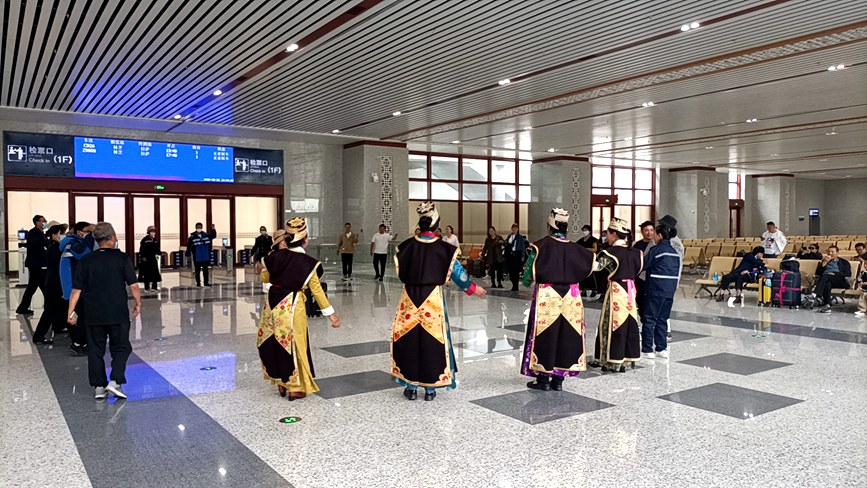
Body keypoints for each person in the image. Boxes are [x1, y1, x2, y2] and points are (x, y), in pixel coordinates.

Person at [390, 202, 486, 401]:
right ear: (436, 225)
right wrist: (472, 288)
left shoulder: (406, 246)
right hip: (432, 299)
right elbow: (458, 273)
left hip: (409, 299)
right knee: (432, 340)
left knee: (409, 339)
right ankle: (430, 388)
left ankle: (411, 386)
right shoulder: (444, 249)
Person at [258, 220, 341, 400]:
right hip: (293, 304)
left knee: (275, 341)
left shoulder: (275, 256)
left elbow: (265, 277)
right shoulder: (307, 263)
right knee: (296, 343)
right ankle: (295, 386)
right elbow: (316, 290)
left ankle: (281, 382)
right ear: (305, 240)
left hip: (272, 304)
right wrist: (331, 314)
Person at [521, 208, 594, 391]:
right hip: (572, 295)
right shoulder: (578, 249)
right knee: (567, 333)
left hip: (548, 294)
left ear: (549, 226)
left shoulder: (539, 246)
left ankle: (543, 378)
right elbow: (591, 267)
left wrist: (527, 281)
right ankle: (559, 379)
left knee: (546, 333)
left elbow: (528, 275)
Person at [67, 222, 141, 400]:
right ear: (112, 238)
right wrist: (138, 303)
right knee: (122, 347)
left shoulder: (86, 260)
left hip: (93, 313)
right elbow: (133, 285)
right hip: (117, 312)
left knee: (95, 349)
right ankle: (115, 381)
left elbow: (76, 290)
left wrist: (70, 312)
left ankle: (99, 387)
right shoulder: (122, 258)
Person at [589, 217, 642, 373]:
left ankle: (610, 360)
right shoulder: (637, 253)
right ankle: (626, 360)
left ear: (614, 234)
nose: (606, 236)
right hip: (630, 291)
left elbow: (596, 267)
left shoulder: (610, 252)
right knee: (629, 323)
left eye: (608, 233)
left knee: (611, 324)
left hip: (616, 291)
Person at [640, 224, 681, 359]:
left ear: (660, 235)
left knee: (649, 319)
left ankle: (647, 349)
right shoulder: (674, 252)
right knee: (662, 319)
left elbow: (644, 264)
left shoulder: (656, 250)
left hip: (655, 289)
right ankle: (661, 348)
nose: (653, 237)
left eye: (655, 234)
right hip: (669, 291)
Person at [60, 221, 94, 356]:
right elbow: (84, 254)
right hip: (73, 287)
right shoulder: (73, 244)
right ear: (80, 232)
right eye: (88, 231)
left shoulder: (71, 242)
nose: (89, 234)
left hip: (73, 286)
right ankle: (77, 344)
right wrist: (90, 238)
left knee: (79, 314)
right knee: (78, 316)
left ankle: (81, 342)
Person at [32, 224, 67, 344]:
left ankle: (58, 326)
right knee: (49, 310)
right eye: (60, 233)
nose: (62, 236)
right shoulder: (54, 248)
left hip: (54, 282)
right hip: (54, 283)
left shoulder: (54, 246)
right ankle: (38, 336)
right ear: (54, 235)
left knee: (58, 307)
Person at [16, 214, 49, 315]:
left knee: (34, 286)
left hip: (38, 264)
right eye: (43, 221)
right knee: (38, 286)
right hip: (35, 264)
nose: (44, 223)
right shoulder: (33, 232)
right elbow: (38, 245)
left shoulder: (41, 233)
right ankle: (49, 306)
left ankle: (23, 307)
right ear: (37, 222)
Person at [658, 214, 684, 340]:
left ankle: (666, 330)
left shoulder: (672, 243)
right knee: (664, 304)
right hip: (672, 279)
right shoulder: (676, 242)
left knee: (663, 305)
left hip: (667, 278)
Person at [810, 245, 852, 314]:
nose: (830, 253)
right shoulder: (824, 261)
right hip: (826, 280)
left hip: (840, 281)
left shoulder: (844, 262)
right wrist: (824, 263)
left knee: (826, 276)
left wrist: (835, 273)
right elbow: (818, 274)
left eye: (832, 252)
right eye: (829, 252)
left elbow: (848, 274)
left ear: (837, 253)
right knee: (827, 284)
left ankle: (814, 294)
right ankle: (827, 306)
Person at [633, 220, 656, 325]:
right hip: (640, 278)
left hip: (652, 278)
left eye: (651, 230)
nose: (649, 232)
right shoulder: (637, 245)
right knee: (641, 300)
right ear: (642, 231)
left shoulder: (656, 245)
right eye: (646, 230)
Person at [186, 222, 213, 287]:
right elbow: (189, 246)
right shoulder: (192, 237)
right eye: (198, 227)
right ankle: (198, 283)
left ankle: (206, 282)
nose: (199, 228)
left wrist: (213, 229)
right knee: (197, 271)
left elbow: (213, 236)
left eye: (200, 227)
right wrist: (188, 253)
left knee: (206, 271)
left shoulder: (206, 235)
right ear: (196, 228)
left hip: (205, 256)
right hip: (197, 257)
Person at [138, 226, 162, 293]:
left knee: (155, 273)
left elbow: (157, 249)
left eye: (154, 231)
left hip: (153, 259)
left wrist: (159, 253)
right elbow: (141, 249)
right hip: (147, 259)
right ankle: (147, 288)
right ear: (149, 232)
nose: (153, 233)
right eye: (152, 231)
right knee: (147, 273)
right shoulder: (145, 240)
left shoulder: (155, 240)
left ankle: (154, 287)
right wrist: (143, 257)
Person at [505, 223, 528, 291]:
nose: (514, 229)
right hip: (510, 255)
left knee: (516, 271)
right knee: (510, 270)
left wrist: (523, 255)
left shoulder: (520, 237)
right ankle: (513, 283)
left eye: (516, 228)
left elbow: (523, 247)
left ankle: (515, 285)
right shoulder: (509, 236)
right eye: (513, 228)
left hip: (517, 255)